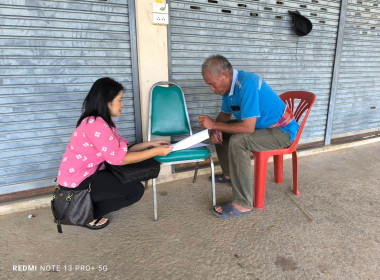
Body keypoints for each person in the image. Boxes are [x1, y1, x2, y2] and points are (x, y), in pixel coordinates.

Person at [57, 77, 172, 229]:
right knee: (134, 191)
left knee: (133, 187)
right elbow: (119, 159)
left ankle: (85, 209)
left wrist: (151, 144)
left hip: (89, 174)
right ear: (107, 101)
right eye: (119, 100)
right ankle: (83, 215)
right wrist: (155, 152)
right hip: (78, 181)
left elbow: (122, 147)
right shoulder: (96, 125)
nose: (122, 104)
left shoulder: (102, 122)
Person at [198, 55, 299, 219]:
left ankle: (243, 204)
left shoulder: (247, 83)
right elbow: (224, 115)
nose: (211, 88)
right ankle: (231, 175)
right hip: (262, 129)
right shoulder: (227, 90)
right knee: (220, 131)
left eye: (212, 84)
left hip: (283, 132)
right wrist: (214, 129)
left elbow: (247, 128)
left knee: (239, 140)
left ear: (225, 75)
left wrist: (214, 125)